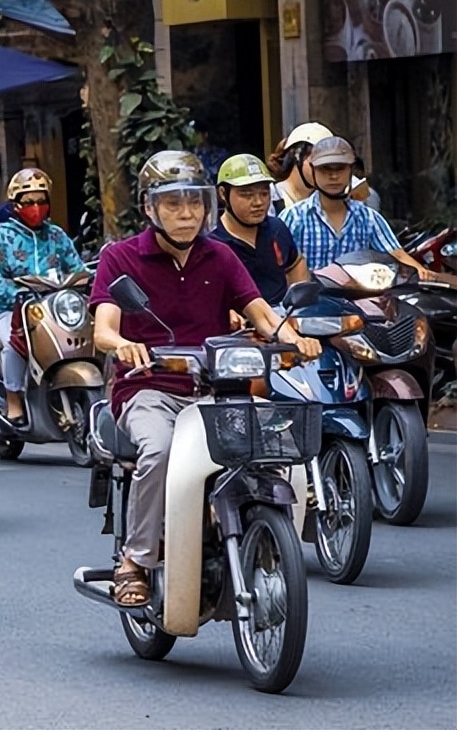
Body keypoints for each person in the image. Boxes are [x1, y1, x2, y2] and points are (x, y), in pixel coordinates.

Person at [90, 150, 321, 607]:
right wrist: (124, 346)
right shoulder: (120, 258)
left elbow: (261, 312)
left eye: (194, 203)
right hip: (148, 386)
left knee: (273, 445)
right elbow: (103, 330)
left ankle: (265, 538)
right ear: (150, 208)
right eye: (173, 204)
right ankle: (134, 559)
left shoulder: (219, 256)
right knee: (158, 450)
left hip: (216, 388)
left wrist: (293, 336)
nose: (186, 214)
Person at [0, 168, 87, 422]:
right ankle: (13, 399)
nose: (35, 207)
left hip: (52, 309)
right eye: (28, 202)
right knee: (13, 346)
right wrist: (12, 290)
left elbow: (77, 268)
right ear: (16, 205)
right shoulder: (2, 236)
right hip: (12, 310)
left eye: (41, 201)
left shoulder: (57, 236)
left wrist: (84, 280)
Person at [280, 136, 441, 281]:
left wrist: (420, 270)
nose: (333, 176)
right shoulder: (294, 217)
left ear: (351, 170)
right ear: (313, 171)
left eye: (340, 168)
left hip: (359, 304)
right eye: (325, 169)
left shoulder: (367, 218)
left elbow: (396, 252)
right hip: (309, 307)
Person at [211, 154, 308, 305]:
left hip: (282, 320)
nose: (258, 202)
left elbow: (295, 263)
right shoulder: (213, 243)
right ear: (223, 193)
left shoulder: (277, 228)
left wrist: (299, 304)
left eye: (264, 193)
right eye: (247, 195)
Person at [269, 122, 332, 213]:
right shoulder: (272, 197)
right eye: (317, 161)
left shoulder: (327, 200)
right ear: (297, 156)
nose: (326, 170)